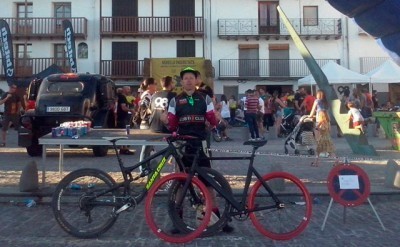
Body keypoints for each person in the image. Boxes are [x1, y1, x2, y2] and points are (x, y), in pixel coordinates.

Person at [161, 67, 234, 233]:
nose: (188, 80)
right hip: (182, 146)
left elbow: (212, 120)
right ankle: (177, 221)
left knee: (208, 183)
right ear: (181, 82)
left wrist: (214, 119)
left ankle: (217, 220)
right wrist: (164, 119)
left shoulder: (205, 98)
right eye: (185, 78)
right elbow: (171, 125)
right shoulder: (174, 100)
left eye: (191, 78)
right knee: (181, 184)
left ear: (196, 81)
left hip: (201, 144)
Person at [116, 87, 136, 155]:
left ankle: (122, 148)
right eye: (128, 89)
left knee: (121, 132)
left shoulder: (117, 97)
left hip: (118, 117)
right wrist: (131, 110)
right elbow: (123, 107)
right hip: (122, 117)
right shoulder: (122, 97)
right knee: (125, 132)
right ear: (123, 90)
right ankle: (124, 149)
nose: (129, 90)